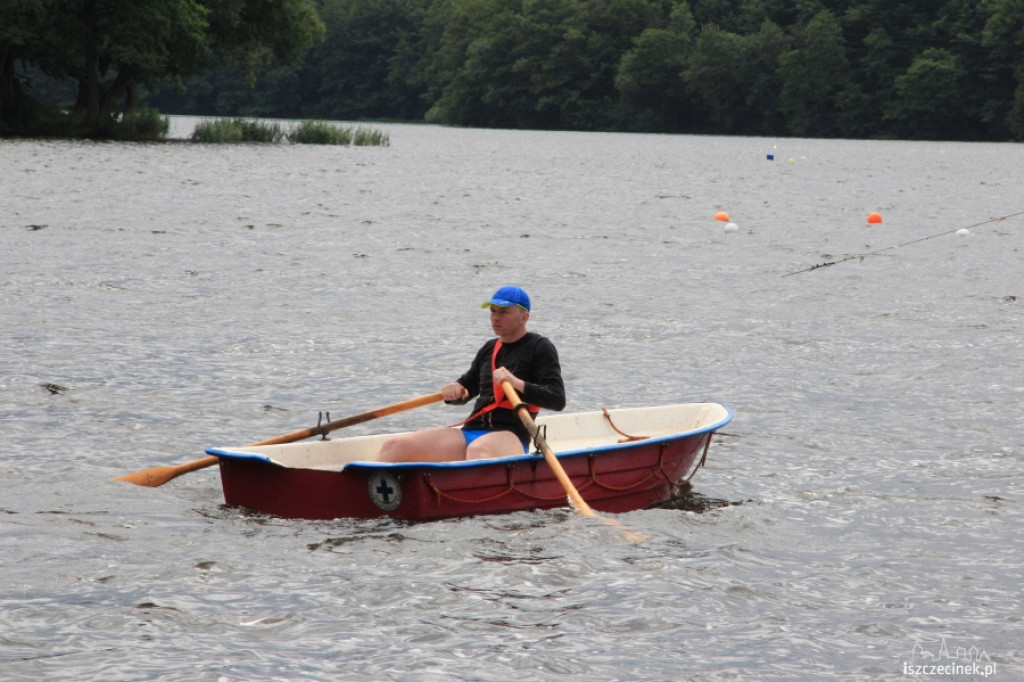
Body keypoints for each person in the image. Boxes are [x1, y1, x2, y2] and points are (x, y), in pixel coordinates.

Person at [376, 286, 565, 462]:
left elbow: (557, 399)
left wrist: (516, 383)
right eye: (492, 311)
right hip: (471, 430)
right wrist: (455, 391)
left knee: (478, 450)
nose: (495, 318)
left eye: (504, 312)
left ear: (524, 317)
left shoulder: (540, 347)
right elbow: (468, 386)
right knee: (394, 445)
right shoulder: (489, 348)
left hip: (511, 435)